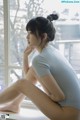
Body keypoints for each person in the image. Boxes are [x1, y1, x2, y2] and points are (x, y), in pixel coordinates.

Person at [0, 14, 80, 120]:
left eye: (31, 33)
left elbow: (59, 97)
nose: (27, 37)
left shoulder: (40, 59)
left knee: (21, 84)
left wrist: (41, 94)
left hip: (67, 115)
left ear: (43, 36)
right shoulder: (52, 51)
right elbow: (30, 74)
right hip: (75, 112)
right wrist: (25, 57)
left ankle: (13, 104)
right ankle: (15, 104)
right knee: (32, 71)